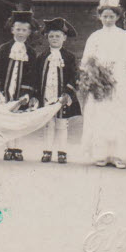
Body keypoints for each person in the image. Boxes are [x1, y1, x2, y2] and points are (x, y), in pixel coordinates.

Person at [80, 0, 126, 168]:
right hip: (99, 82)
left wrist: (115, 72)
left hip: (119, 80)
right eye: (105, 16)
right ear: (100, 17)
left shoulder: (125, 36)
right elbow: (87, 60)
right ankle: (101, 154)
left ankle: (118, 155)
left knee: (118, 117)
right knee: (101, 115)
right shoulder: (94, 37)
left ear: (118, 17)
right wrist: (96, 75)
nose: (108, 19)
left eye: (111, 16)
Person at [0, 10, 41, 161]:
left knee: (19, 120)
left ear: (29, 32)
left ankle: (17, 148)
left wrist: (28, 93)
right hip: (6, 89)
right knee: (7, 119)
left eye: (24, 30)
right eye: (18, 29)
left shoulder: (31, 52)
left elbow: (33, 74)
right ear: (12, 29)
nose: (20, 33)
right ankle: (8, 148)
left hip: (21, 91)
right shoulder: (4, 48)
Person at [37, 18, 80, 164]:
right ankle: (47, 151)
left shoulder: (69, 57)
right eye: (51, 36)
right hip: (46, 95)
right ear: (47, 38)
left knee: (62, 124)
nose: (54, 39)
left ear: (64, 38)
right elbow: (36, 77)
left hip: (62, 96)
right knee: (48, 124)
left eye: (58, 36)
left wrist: (68, 93)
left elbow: (74, 76)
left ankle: (62, 152)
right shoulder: (42, 57)